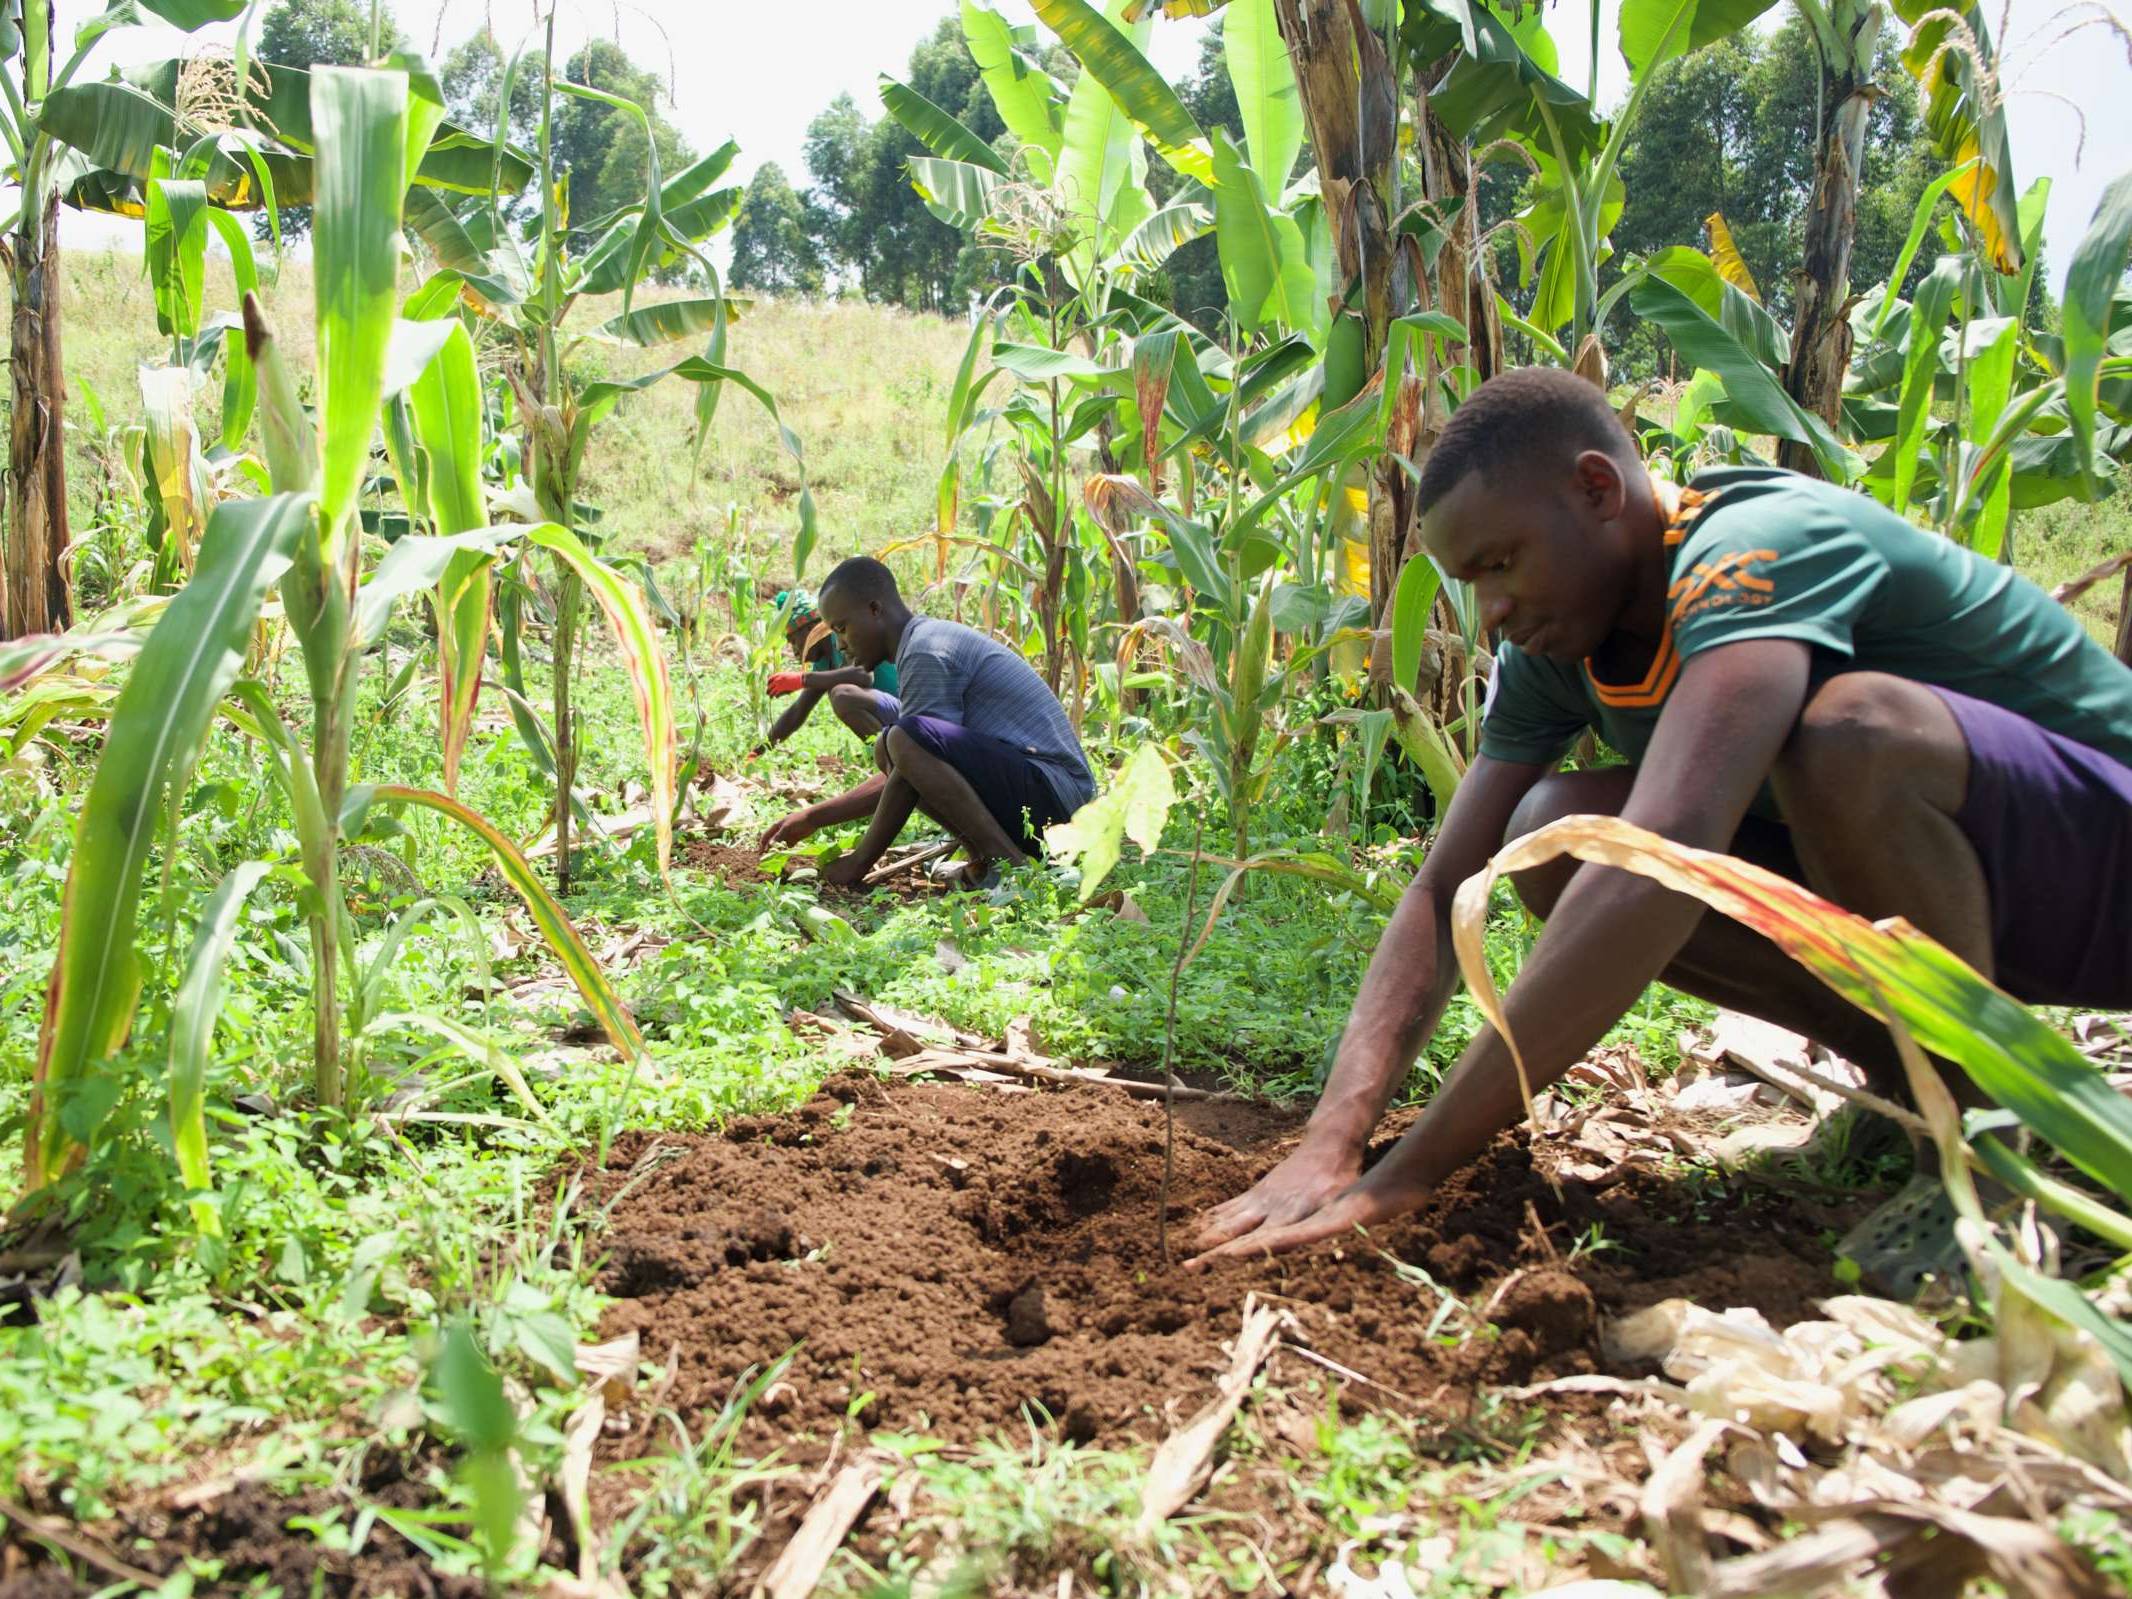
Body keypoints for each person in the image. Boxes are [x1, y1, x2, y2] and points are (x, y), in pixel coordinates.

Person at [1190, 367, 2132, 1282]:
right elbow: (1445, 888)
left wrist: (1411, 1171)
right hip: (1991, 909)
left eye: (1501, 563)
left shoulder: (1751, 548)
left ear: (1597, 488)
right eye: (1470, 584)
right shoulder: (1562, 648)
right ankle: (1914, 1089)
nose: (1493, 612)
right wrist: (1331, 1142)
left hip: (2104, 868)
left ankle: (1987, 1157)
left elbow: (1664, 853)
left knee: (1847, 735)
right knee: (1552, 832)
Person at [758, 557, 1098, 889]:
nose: (841, 644)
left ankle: (1007, 863)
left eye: (842, 629)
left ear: (875, 610)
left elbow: (912, 759)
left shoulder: (925, 649)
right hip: (1044, 801)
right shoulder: (919, 644)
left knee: (902, 740)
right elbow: (910, 767)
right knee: (890, 746)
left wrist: (857, 859)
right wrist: (814, 817)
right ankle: (984, 858)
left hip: (1059, 801)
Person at [749, 588, 903, 758]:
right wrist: (759, 751)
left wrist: (801, 679)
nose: (794, 651)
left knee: (842, 695)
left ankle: (895, 759)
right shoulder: (824, 662)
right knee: (840, 694)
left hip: (910, 713)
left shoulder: (846, 636)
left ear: (811, 629)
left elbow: (864, 675)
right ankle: (890, 758)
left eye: (794, 641)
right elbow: (798, 711)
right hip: (895, 719)